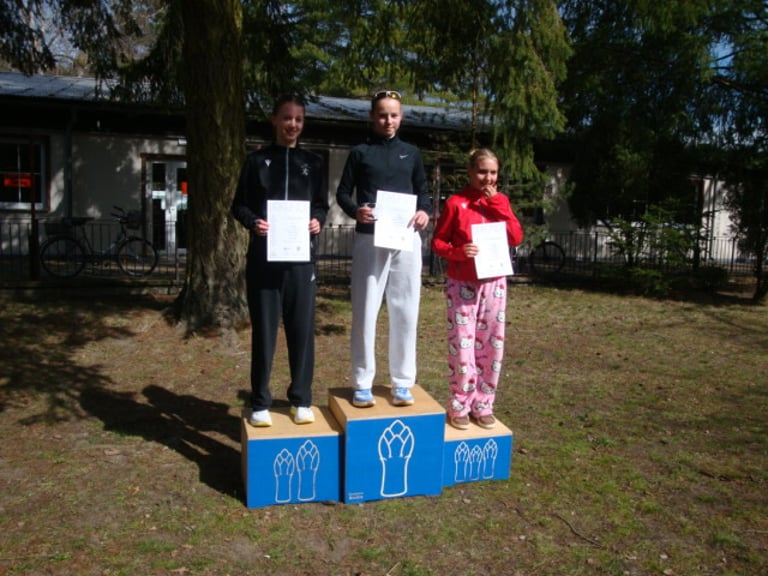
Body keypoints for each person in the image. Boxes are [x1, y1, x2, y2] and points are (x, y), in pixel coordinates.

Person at [231, 94, 329, 427]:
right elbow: (239, 205)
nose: (293, 125)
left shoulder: (313, 162)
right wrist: (253, 222)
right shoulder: (257, 161)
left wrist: (318, 221)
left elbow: (321, 205)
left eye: (298, 119)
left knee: (302, 331)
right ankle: (260, 401)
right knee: (264, 333)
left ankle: (301, 399)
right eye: (287, 118)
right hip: (264, 261)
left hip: (302, 261)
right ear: (274, 120)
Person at [336, 90, 431, 408]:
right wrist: (356, 211)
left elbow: (423, 193)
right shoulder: (360, 152)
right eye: (382, 114)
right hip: (370, 238)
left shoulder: (411, 153)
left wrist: (424, 212)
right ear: (372, 117)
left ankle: (402, 382)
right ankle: (362, 382)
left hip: (405, 239)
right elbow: (343, 193)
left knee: (406, 310)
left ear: (401, 117)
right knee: (365, 310)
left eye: (393, 115)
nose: (388, 120)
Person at [431, 148, 523, 430]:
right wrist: (458, 252)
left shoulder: (501, 202)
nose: (488, 178)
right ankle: (460, 403)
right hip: (463, 283)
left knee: (492, 345)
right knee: (463, 345)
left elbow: (515, 237)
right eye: (482, 171)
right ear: (470, 171)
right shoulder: (456, 203)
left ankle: (483, 404)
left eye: (493, 172)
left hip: (494, 282)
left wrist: (497, 204)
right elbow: (437, 242)